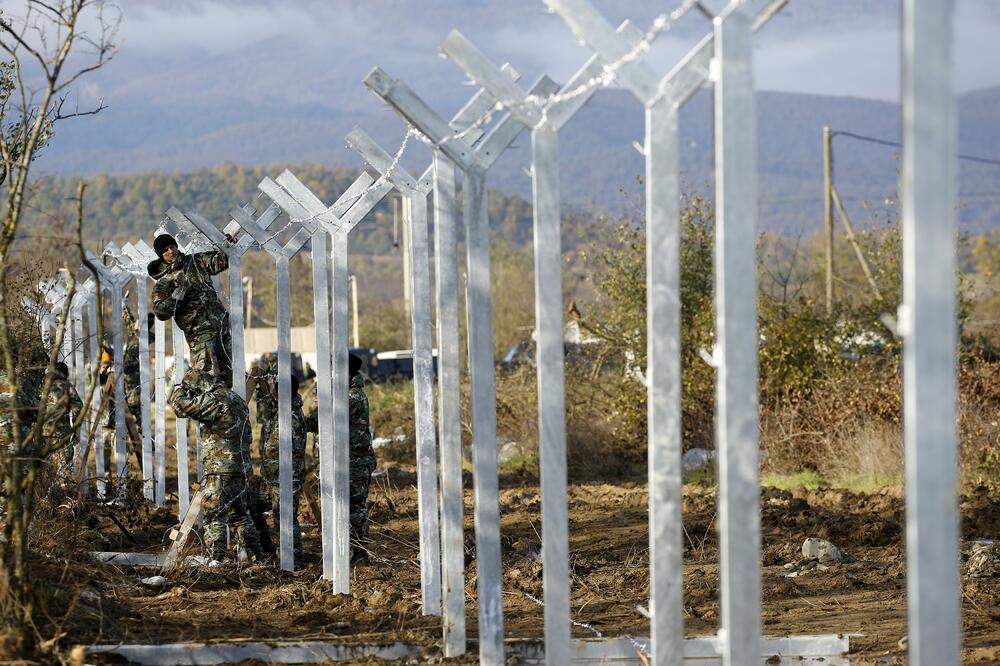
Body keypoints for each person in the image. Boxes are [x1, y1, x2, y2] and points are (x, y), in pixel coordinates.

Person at [168, 367, 265, 563]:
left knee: (214, 514)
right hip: (240, 467)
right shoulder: (236, 399)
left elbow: (180, 408)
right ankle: (257, 556)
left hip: (220, 468)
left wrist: (179, 389)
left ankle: (216, 559)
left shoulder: (214, 399)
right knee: (240, 516)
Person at [248, 354, 315, 559]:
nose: (272, 395)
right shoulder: (282, 411)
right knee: (252, 503)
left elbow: (284, 450)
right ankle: (266, 546)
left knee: (284, 519)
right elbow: (265, 413)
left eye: (275, 391)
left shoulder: (290, 418)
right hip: (274, 477)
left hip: (285, 479)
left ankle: (293, 556)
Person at [148, 233, 233, 387]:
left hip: (221, 328)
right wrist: (177, 295)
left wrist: (226, 246)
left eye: (172, 247)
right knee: (207, 381)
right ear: (161, 256)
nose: (170, 251)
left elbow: (220, 261)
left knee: (228, 379)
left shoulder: (196, 261)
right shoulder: (165, 282)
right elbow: (160, 311)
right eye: (165, 250)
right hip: (200, 336)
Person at [347, 352, 375, 561]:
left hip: (357, 461)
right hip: (356, 459)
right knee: (355, 506)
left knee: (356, 508)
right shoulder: (353, 394)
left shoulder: (352, 397)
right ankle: (356, 550)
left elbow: (328, 417)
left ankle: (359, 552)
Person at [42, 361, 83, 480]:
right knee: (63, 470)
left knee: (46, 469)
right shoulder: (66, 386)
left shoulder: (42, 386)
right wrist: (76, 429)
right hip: (61, 433)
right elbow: (78, 408)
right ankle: (63, 489)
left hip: (42, 434)